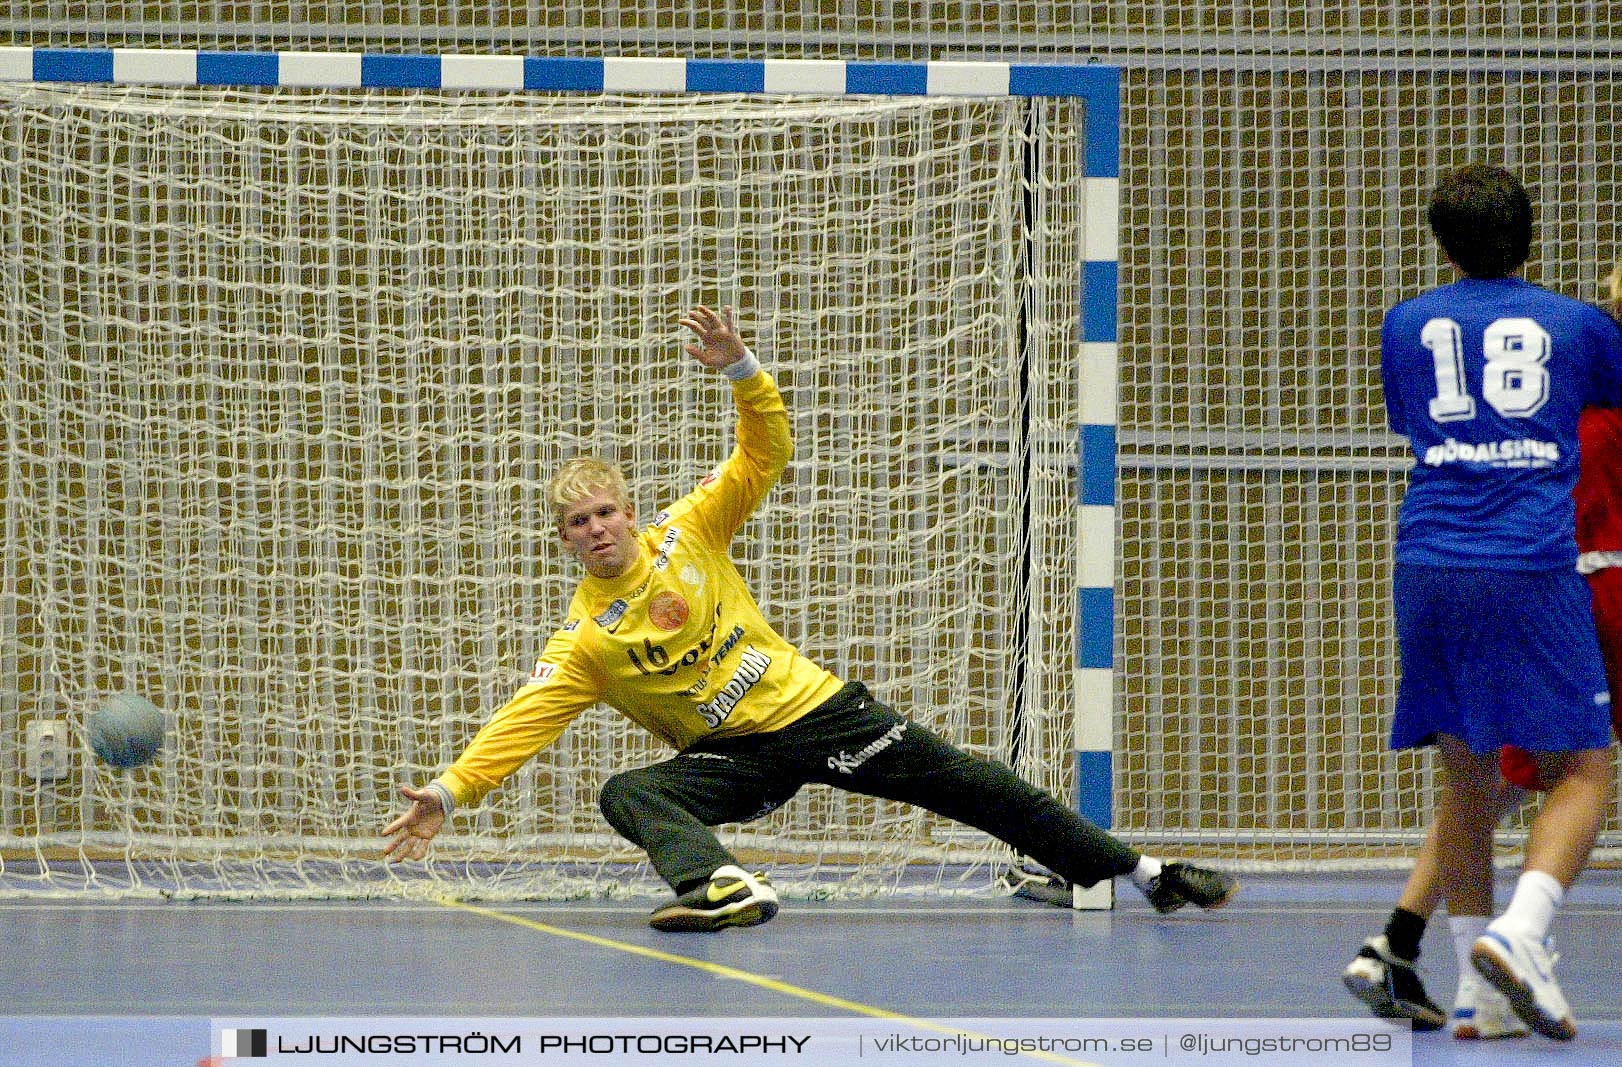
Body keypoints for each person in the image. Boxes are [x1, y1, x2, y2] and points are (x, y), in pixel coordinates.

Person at [383, 303, 1238, 931]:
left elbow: (765, 451)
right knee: (627, 791)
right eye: (578, 523)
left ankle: (1149, 872)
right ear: (565, 542)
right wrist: (451, 794)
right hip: (732, 759)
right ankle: (723, 885)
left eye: (605, 511)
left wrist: (741, 369)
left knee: (971, 785)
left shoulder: (693, 531)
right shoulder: (588, 641)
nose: (596, 529)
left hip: (818, 710)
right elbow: (521, 722)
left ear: (630, 513)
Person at [1351, 164, 1622, 1041]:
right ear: (1531, 231)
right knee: (1582, 769)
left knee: (1466, 774)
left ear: (1441, 243)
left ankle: (1479, 991)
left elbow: (1415, 420)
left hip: (1426, 556)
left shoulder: (1405, 323)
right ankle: (1523, 931)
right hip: (1531, 561)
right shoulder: (1579, 324)